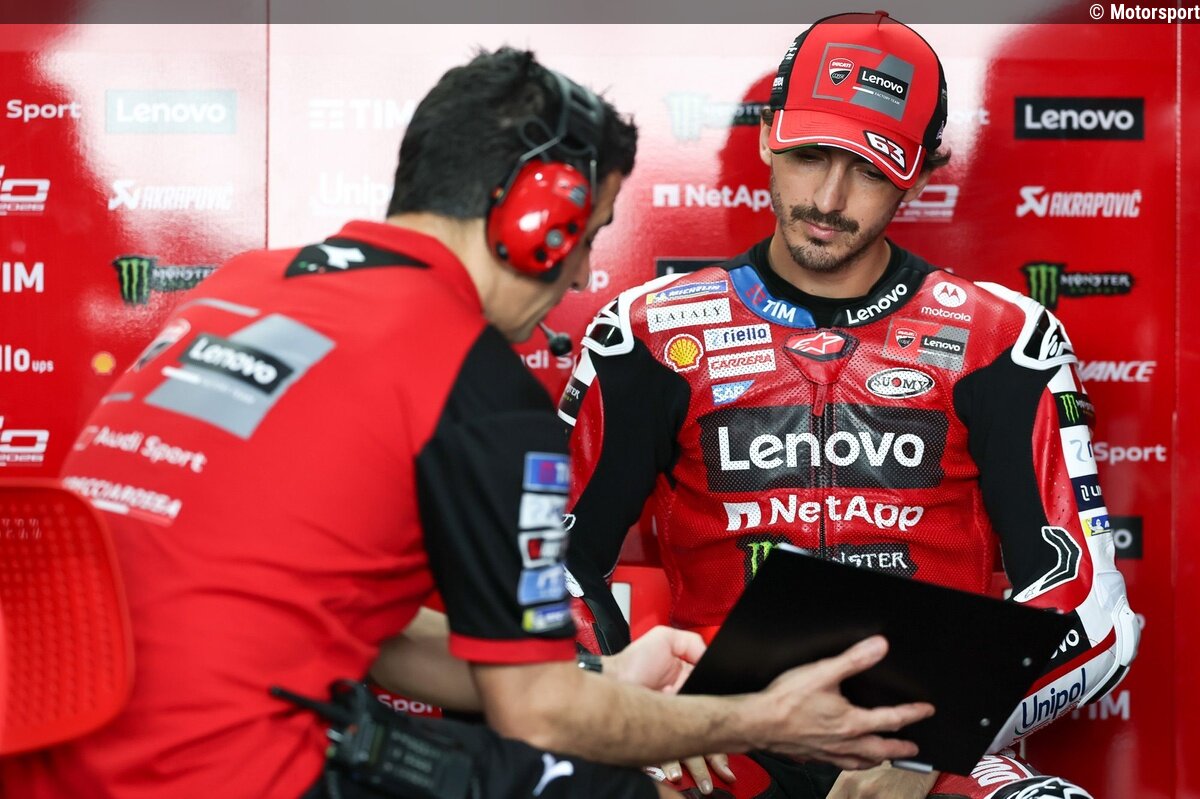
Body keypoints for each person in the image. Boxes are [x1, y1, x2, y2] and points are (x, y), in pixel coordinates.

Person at [0, 48, 936, 799]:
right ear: (538, 220)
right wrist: (766, 717)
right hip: (223, 769)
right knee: (600, 782)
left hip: (56, 756)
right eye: (590, 236)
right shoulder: (474, 383)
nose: (583, 276)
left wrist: (600, 675)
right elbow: (539, 715)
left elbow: (361, 627)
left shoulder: (241, 289)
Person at [560, 13, 1140, 799]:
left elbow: (1098, 615)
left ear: (920, 175)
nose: (829, 199)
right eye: (809, 156)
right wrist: (619, 716)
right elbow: (546, 564)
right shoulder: (648, 334)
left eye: (868, 169)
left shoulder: (1003, 339)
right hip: (711, 745)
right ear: (767, 138)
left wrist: (922, 748)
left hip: (927, 745)